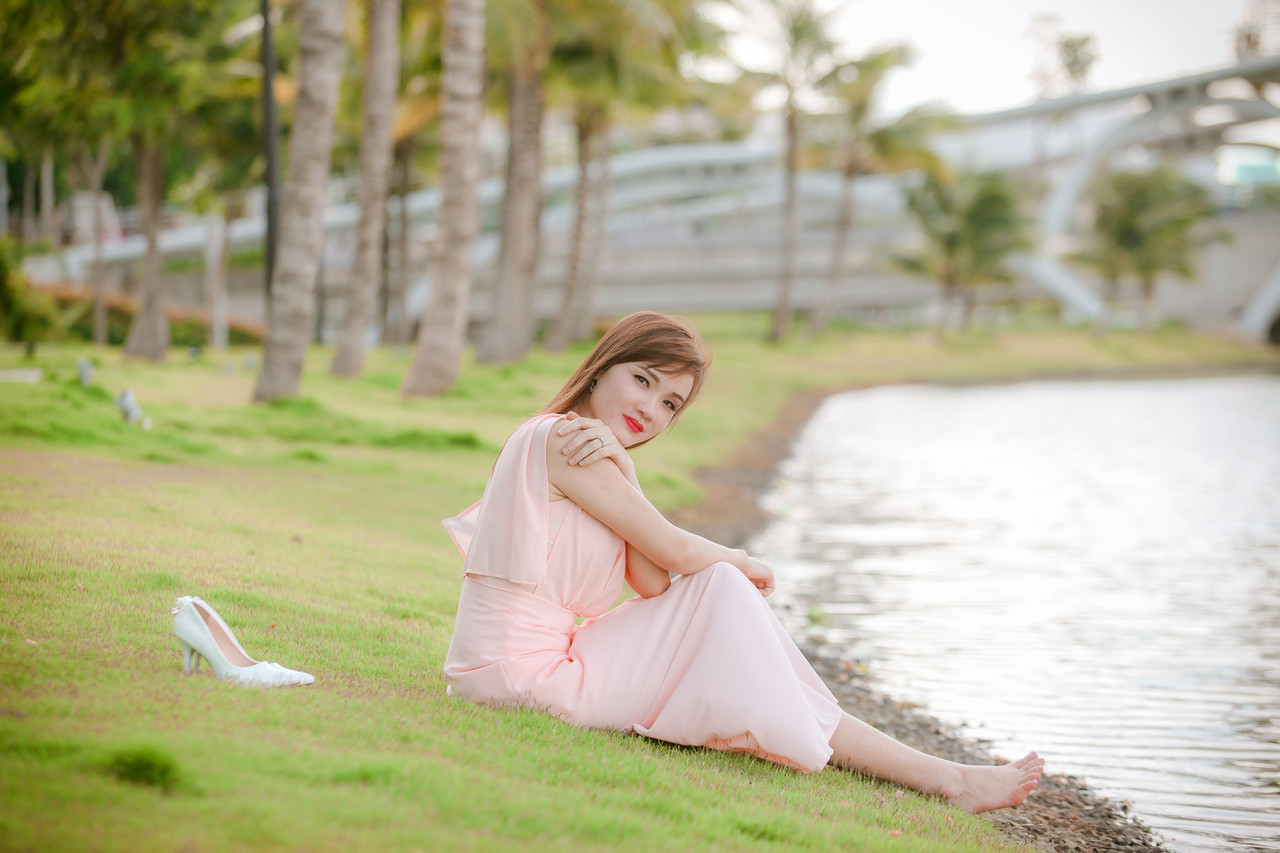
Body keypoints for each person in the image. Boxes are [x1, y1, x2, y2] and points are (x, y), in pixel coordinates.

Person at [442, 311, 1043, 813]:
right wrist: (738, 558)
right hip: (516, 676)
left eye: (670, 402)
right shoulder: (564, 440)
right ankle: (944, 779)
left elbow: (652, 583)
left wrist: (628, 474)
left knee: (724, 606)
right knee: (724, 588)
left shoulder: (595, 455)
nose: (650, 409)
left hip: (530, 661)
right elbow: (675, 555)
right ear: (601, 369)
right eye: (643, 380)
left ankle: (943, 777)